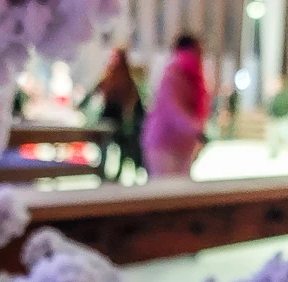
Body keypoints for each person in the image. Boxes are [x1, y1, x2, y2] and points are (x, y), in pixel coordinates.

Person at [141, 35, 210, 178]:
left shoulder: (191, 75)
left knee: (175, 191)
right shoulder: (175, 73)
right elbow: (172, 110)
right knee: (167, 191)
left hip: (181, 143)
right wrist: (196, 129)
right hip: (165, 143)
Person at [81, 48, 144, 181]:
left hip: (114, 119)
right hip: (113, 119)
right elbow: (94, 92)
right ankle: (108, 174)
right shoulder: (119, 78)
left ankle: (109, 174)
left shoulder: (118, 78)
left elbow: (134, 101)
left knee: (113, 147)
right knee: (110, 147)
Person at [266, 77, 288, 158]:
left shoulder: (283, 96)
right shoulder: (274, 96)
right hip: (274, 120)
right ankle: (274, 152)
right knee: (273, 137)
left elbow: (282, 107)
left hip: (282, 119)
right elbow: (269, 107)